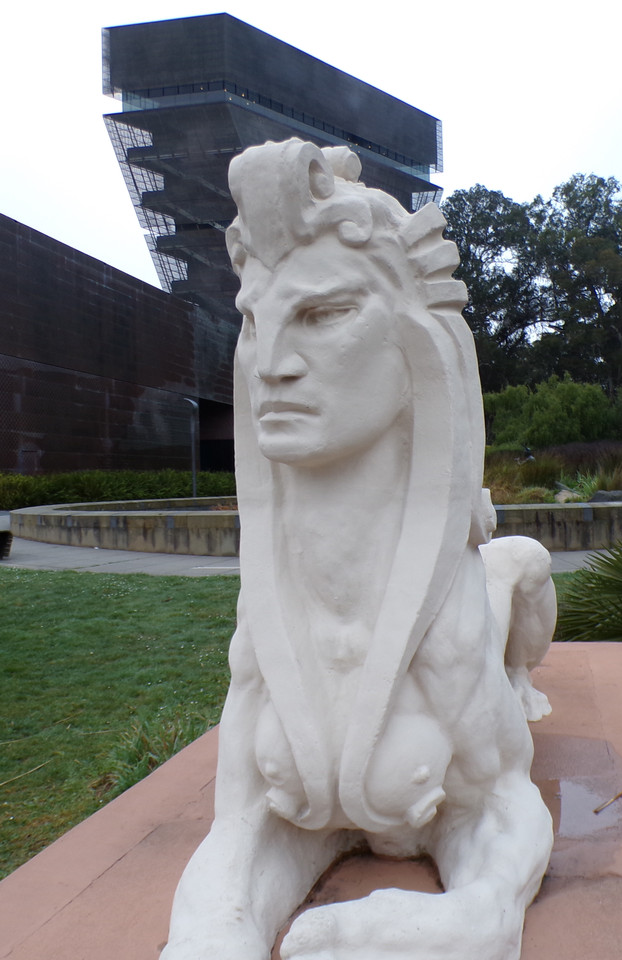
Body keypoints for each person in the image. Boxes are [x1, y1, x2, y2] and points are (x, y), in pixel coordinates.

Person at [161, 139, 555, 960]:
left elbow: (501, 806)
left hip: (471, 607)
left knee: (523, 564)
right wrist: (209, 934)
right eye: (257, 322)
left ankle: (519, 675)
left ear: (415, 343)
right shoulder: (266, 612)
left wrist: (477, 918)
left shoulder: (450, 629)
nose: (272, 366)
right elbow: (242, 825)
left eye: (324, 315)